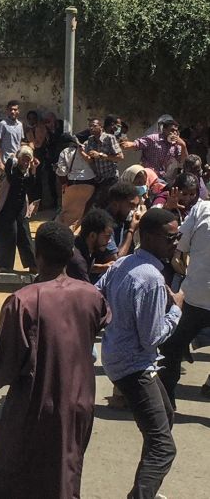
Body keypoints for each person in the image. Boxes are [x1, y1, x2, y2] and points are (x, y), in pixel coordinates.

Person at [0, 221, 110, 499]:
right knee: (64, 476)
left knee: (6, 477)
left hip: (35, 406)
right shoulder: (91, 295)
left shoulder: (23, 301)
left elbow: (5, 369)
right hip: (78, 403)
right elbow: (97, 325)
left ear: (38, 255)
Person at [96, 209, 183, 498]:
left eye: (178, 236)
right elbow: (152, 339)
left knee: (165, 418)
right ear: (148, 237)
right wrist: (176, 310)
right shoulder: (152, 279)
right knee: (163, 447)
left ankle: (146, 489)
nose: (176, 243)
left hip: (119, 357)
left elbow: (98, 298)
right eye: (171, 237)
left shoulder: (123, 264)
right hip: (134, 366)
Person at [159, 193, 210, 407]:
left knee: (170, 346)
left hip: (195, 296)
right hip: (194, 295)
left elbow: (180, 244)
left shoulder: (202, 210)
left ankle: (165, 401)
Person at [0, 146, 39, 272]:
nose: (25, 163)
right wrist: (12, 158)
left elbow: (30, 184)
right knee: (9, 235)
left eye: (27, 161)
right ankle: (4, 265)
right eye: (23, 160)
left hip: (20, 209)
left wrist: (34, 170)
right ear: (18, 159)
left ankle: (33, 264)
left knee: (25, 235)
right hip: (7, 209)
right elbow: (13, 178)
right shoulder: (12, 170)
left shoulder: (28, 172)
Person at [121, 117, 188, 179]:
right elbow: (137, 144)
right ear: (164, 130)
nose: (174, 133)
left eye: (176, 131)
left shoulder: (176, 145)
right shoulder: (153, 138)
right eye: (172, 130)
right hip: (147, 175)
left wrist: (183, 145)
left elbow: (183, 160)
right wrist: (128, 144)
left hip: (162, 177)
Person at [55, 133, 97, 229]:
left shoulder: (65, 151)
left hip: (72, 184)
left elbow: (62, 171)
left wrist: (63, 183)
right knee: (82, 214)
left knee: (68, 213)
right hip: (90, 184)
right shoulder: (88, 150)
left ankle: (62, 234)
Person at [66, 208, 115, 283]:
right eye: (107, 236)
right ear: (92, 235)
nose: (109, 241)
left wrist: (104, 267)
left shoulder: (86, 246)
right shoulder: (78, 262)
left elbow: (89, 266)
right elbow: (87, 291)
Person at [84, 115, 123, 206]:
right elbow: (90, 159)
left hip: (111, 178)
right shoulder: (90, 140)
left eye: (94, 126)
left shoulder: (109, 138)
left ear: (101, 127)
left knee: (110, 204)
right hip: (99, 179)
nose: (91, 128)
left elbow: (120, 157)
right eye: (90, 126)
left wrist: (101, 155)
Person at [101, 181, 144, 261]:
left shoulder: (122, 218)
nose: (134, 210)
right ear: (115, 204)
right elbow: (116, 260)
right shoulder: (104, 224)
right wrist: (131, 230)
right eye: (131, 205)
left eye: (136, 206)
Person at [0, 100, 24, 174]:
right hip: (5, 162)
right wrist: (0, 163)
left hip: (17, 162)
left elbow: (19, 143)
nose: (12, 112)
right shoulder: (3, 124)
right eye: (10, 109)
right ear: (7, 111)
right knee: (5, 185)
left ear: (18, 111)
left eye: (15, 109)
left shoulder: (20, 125)